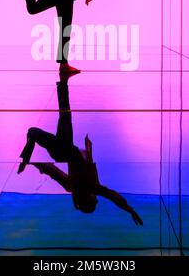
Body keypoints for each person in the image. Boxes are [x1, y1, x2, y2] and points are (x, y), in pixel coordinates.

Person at [18, 72, 143, 225]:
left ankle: (63, 76)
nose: (97, 201)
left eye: (94, 202)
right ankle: (63, 76)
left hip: (64, 150)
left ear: (88, 199)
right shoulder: (70, 187)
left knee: (62, 115)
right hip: (60, 152)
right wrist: (32, 164)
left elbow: (113, 196)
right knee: (38, 129)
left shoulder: (92, 187)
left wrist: (130, 210)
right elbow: (51, 170)